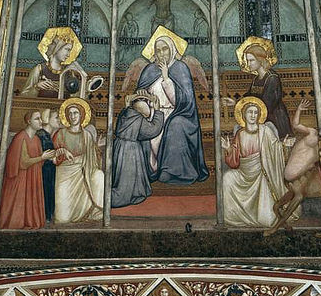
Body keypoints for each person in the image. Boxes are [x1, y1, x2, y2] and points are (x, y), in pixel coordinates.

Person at [134, 33, 209, 185]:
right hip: (153, 113)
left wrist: (166, 78)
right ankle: (148, 170)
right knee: (140, 124)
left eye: (165, 49)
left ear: (172, 49)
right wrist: (142, 97)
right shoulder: (149, 70)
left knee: (176, 124)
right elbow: (139, 96)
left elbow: (186, 102)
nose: (161, 53)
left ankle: (172, 171)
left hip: (178, 113)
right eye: (158, 50)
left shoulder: (181, 68)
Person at [221, 97, 287, 227]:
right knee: (227, 178)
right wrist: (228, 149)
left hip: (262, 172)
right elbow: (234, 162)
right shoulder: (240, 133)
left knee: (266, 220)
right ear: (244, 115)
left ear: (259, 115)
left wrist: (284, 146)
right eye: (249, 112)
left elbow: (276, 148)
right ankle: (236, 216)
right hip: (244, 173)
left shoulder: (265, 131)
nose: (252, 115)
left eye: (255, 112)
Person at [223, 38, 291, 138]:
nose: (248, 64)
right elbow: (250, 99)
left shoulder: (272, 78)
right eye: (247, 61)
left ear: (260, 60)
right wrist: (235, 102)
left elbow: (267, 105)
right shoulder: (256, 79)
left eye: (251, 60)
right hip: (258, 116)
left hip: (273, 120)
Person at [0, 111, 56, 229]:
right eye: (37, 119)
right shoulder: (20, 137)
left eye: (40, 118)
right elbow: (23, 163)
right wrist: (42, 157)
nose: (41, 121)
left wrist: (46, 157)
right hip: (20, 179)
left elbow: (39, 161)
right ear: (29, 121)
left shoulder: (36, 139)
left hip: (33, 177)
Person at [52, 99, 104, 223]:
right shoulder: (60, 134)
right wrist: (62, 151)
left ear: (81, 115)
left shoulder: (87, 135)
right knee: (62, 218)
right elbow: (52, 156)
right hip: (64, 172)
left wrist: (97, 147)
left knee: (99, 175)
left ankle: (95, 210)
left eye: (75, 113)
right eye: (70, 113)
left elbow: (93, 158)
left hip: (84, 170)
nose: (73, 116)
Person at [111, 94, 165, 208]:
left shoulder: (125, 113)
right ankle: (128, 194)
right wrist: (158, 112)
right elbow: (152, 130)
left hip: (119, 146)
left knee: (121, 174)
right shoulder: (138, 119)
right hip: (130, 150)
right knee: (127, 175)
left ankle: (134, 191)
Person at [21, 30, 80, 98]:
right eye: (67, 49)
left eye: (70, 50)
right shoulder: (40, 69)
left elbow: (77, 97)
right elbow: (24, 95)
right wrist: (37, 87)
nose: (68, 55)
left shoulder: (69, 72)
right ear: (57, 48)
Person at [36, 108, 60, 223]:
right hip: (43, 171)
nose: (59, 120)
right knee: (44, 192)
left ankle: (47, 216)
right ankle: (44, 217)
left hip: (48, 170)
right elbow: (44, 154)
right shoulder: (42, 135)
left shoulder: (48, 135)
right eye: (56, 118)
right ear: (48, 119)